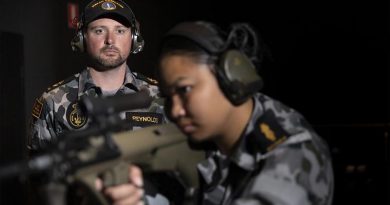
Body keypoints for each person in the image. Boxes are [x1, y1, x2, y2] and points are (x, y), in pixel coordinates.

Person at [153, 21, 334, 205]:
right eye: (168, 97)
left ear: (230, 76)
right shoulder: (213, 140)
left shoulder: (293, 156)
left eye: (185, 89)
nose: (175, 111)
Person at [26, 0, 168, 204]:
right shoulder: (53, 102)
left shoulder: (160, 97)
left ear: (134, 38)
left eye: (120, 31)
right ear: (82, 38)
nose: (110, 40)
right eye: (99, 30)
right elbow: (39, 183)